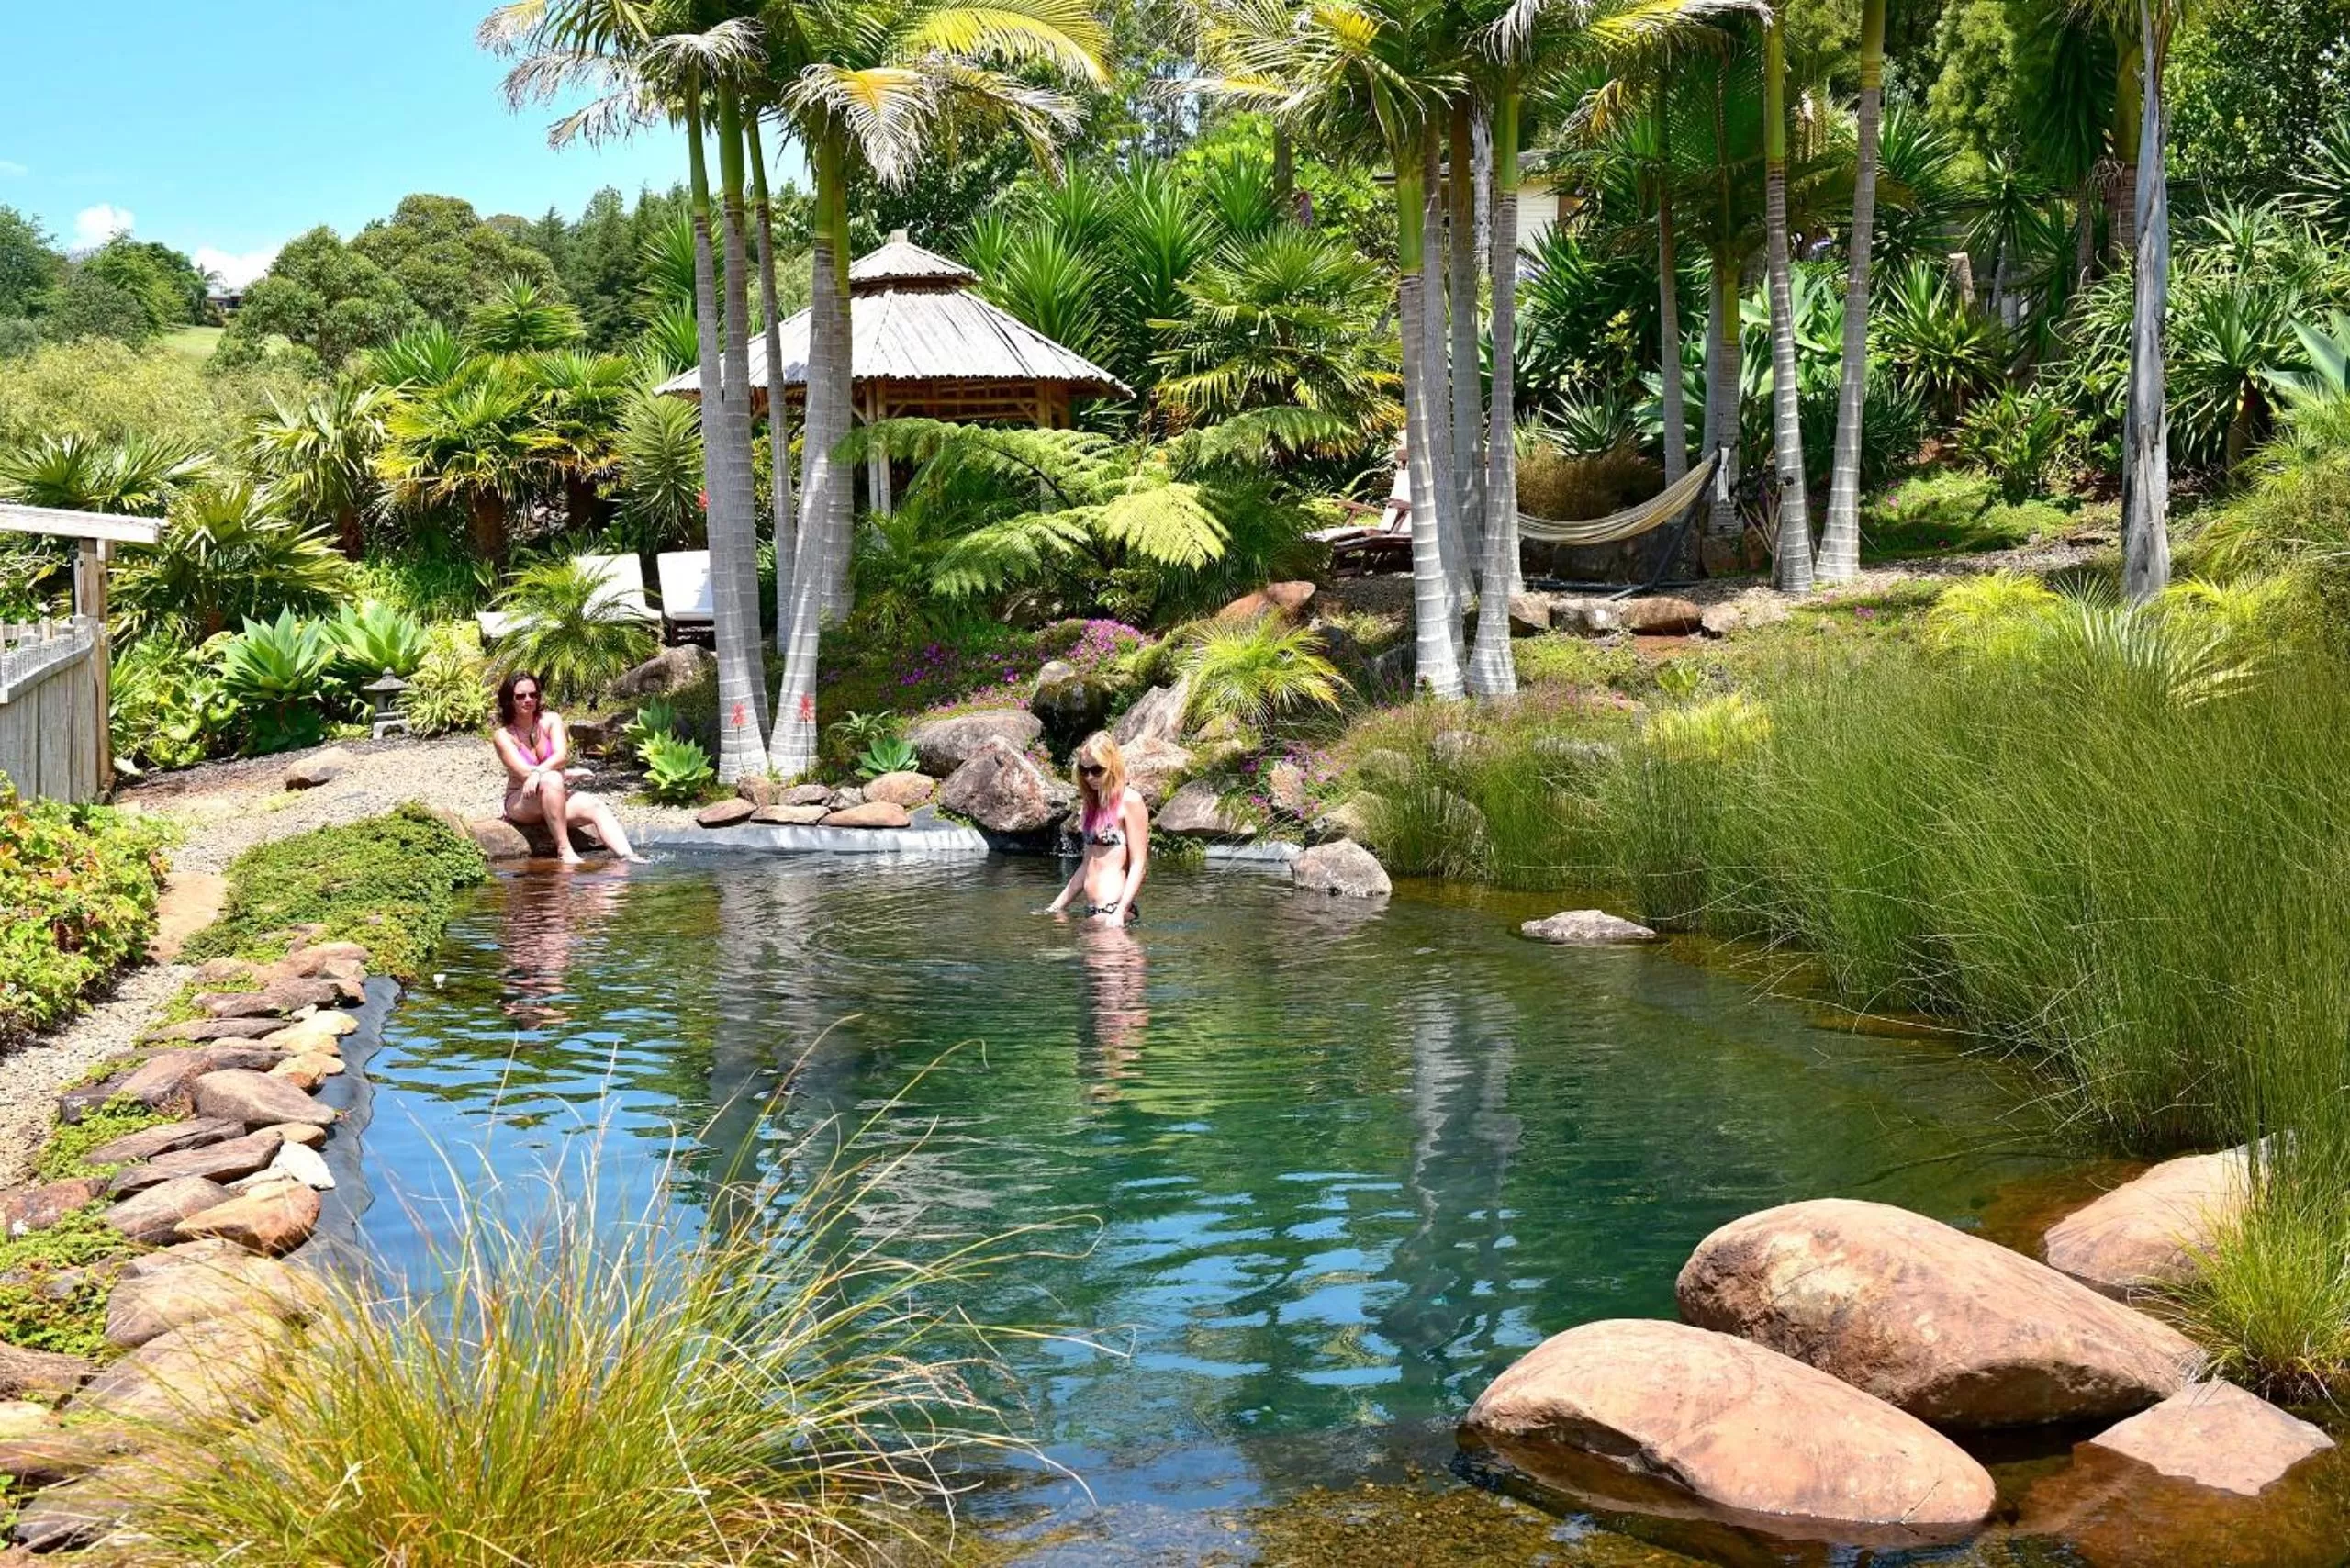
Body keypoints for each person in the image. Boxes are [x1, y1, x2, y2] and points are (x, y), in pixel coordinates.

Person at [491, 670, 646, 865]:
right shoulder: (503, 736)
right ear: (509, 700)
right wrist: (564, 775)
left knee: (594, 804)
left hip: (554, 795)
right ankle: (565, 850)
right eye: (520, 696)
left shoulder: (551, 720)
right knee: (552, 779)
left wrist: (545, 771)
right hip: (522, 800)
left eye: (533, 694)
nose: (528, 700)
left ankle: (628, 856)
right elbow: (523, 772)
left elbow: (560, 756)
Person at [1046, 731, 1149, 923]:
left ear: (1112, 766)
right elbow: (1086, 864)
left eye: (1096, 770)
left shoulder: (1130, 801)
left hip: (1114, 910)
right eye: (1084, 770)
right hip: (1094, 910)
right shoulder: (1090, 805)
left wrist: (1120, 912)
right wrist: (1056, 907)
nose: (1089, 777)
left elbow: (1139, 864)